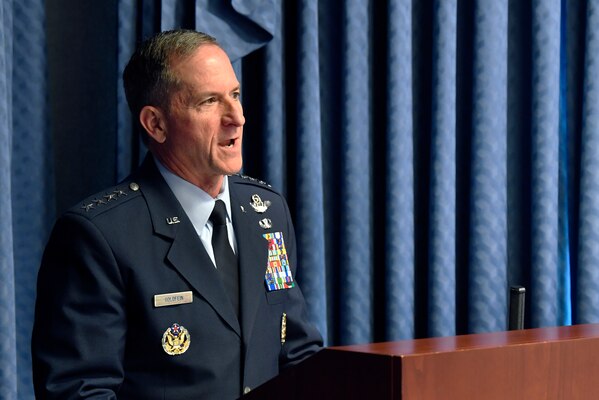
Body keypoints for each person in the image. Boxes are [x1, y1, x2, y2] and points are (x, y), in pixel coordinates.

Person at [31, 29, 323, 399]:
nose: (237, 118)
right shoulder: (98, 235)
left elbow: (296, 352)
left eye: (235, 95)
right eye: (209, 102)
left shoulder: (266, 211)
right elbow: (78, 391)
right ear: (156, 123)